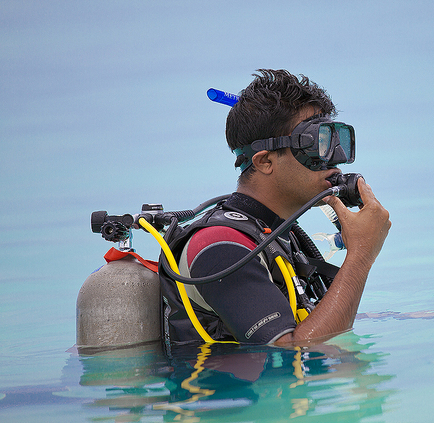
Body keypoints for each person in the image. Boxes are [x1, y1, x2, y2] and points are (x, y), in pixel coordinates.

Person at [160, 69, 391, 350]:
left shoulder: (278, 233)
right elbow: (294, 349)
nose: (334, 161)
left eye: (333, 140)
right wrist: (361, 255)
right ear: (265, 161)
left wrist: (394, 318)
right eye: (316, 144)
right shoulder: (220, 247)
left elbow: (305, 315)